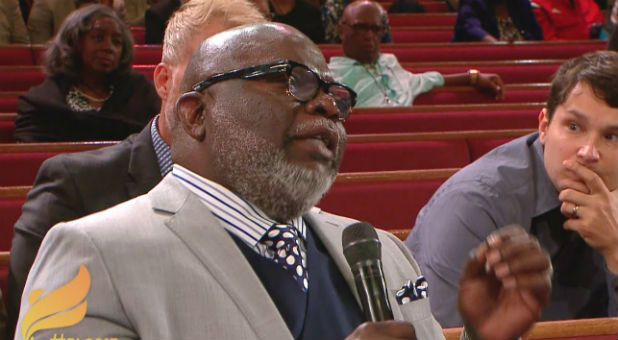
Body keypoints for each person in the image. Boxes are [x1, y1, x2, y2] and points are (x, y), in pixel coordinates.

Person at [15, 22, 552, 340]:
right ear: (197, 114)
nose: (325, 103)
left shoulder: (381, 251)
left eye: (334, 95)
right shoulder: (93, 251)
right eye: (288, 81)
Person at [6, 0, 265, 337]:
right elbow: (34, 324)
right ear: (163, 81)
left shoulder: (271, 194)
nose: (235, 96)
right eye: (214, 72)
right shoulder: (75, 188)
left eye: (255, 79)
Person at [406, 50, 618, 327]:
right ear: (544, 126)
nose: (588, 152)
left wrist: (615, 251)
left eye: (612, 136)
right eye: (574, 126)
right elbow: (438, 333)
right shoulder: (473, 204)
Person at [15, 4, 160, 142]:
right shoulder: (43, 102)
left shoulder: (140, 92)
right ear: (74, 42)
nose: (109, 48)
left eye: (116, 42)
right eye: (98, 38)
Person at [329, 0, 504, 107]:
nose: (369, 37)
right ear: (342, 31)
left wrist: (472, 77)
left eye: (376, 29)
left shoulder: (389, 62)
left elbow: (422, 80)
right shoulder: (331, 75)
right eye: (361, 28)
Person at [452, 0, 543, 42]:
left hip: (523, 60)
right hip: (486, 62)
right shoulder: (472, 3)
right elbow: (469, 27)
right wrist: (497, 45)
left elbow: (536, 36)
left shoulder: (521, 4)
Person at [530, 0, 604, 40]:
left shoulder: (581, 2)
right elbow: (549, 45)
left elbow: (598, 24)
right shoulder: (537, 5)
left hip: (588, 57)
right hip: (561, 61)